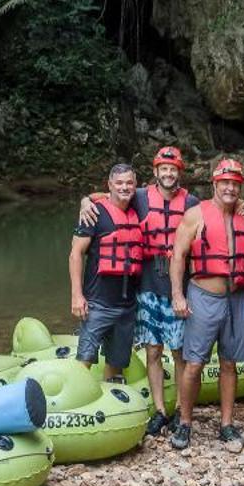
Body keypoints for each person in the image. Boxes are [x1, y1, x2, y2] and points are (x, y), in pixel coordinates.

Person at [76, 147, 198, 435]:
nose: (168, 173)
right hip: (147, 284)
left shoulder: (191, 202)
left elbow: (218, 213)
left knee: (180, 351)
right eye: (163, 169)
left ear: (179, 172)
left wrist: (242, 206)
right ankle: (159, 411)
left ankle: (182, 409)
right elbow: (104, 198)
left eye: (173, 169)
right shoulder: (141, 197)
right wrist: (84, 200)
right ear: (155, 172)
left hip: (179, 285)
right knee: (153, 351)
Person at [169, 156, 244, 451]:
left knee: (230, 363)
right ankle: (185, 423)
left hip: (237, 298)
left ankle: (226, 424)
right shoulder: (195, 214)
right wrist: (178, 295)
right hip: (203, 296)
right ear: (215, 183)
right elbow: (178, 256)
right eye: (225, 183)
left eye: (235, 184)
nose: (230, 188)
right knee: (194, 363)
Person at [68, 162, 143, 378]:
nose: (124, 187)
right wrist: (77, 295)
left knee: (116, 363)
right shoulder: (94, 213)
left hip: (127, 306)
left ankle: (112, 398)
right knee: (85, 360)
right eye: (118, 183)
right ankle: (77, 398)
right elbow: (75, 254)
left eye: (129, 183)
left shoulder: (137, 209)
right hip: (98, 303)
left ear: (135, 184)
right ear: (109, 184)